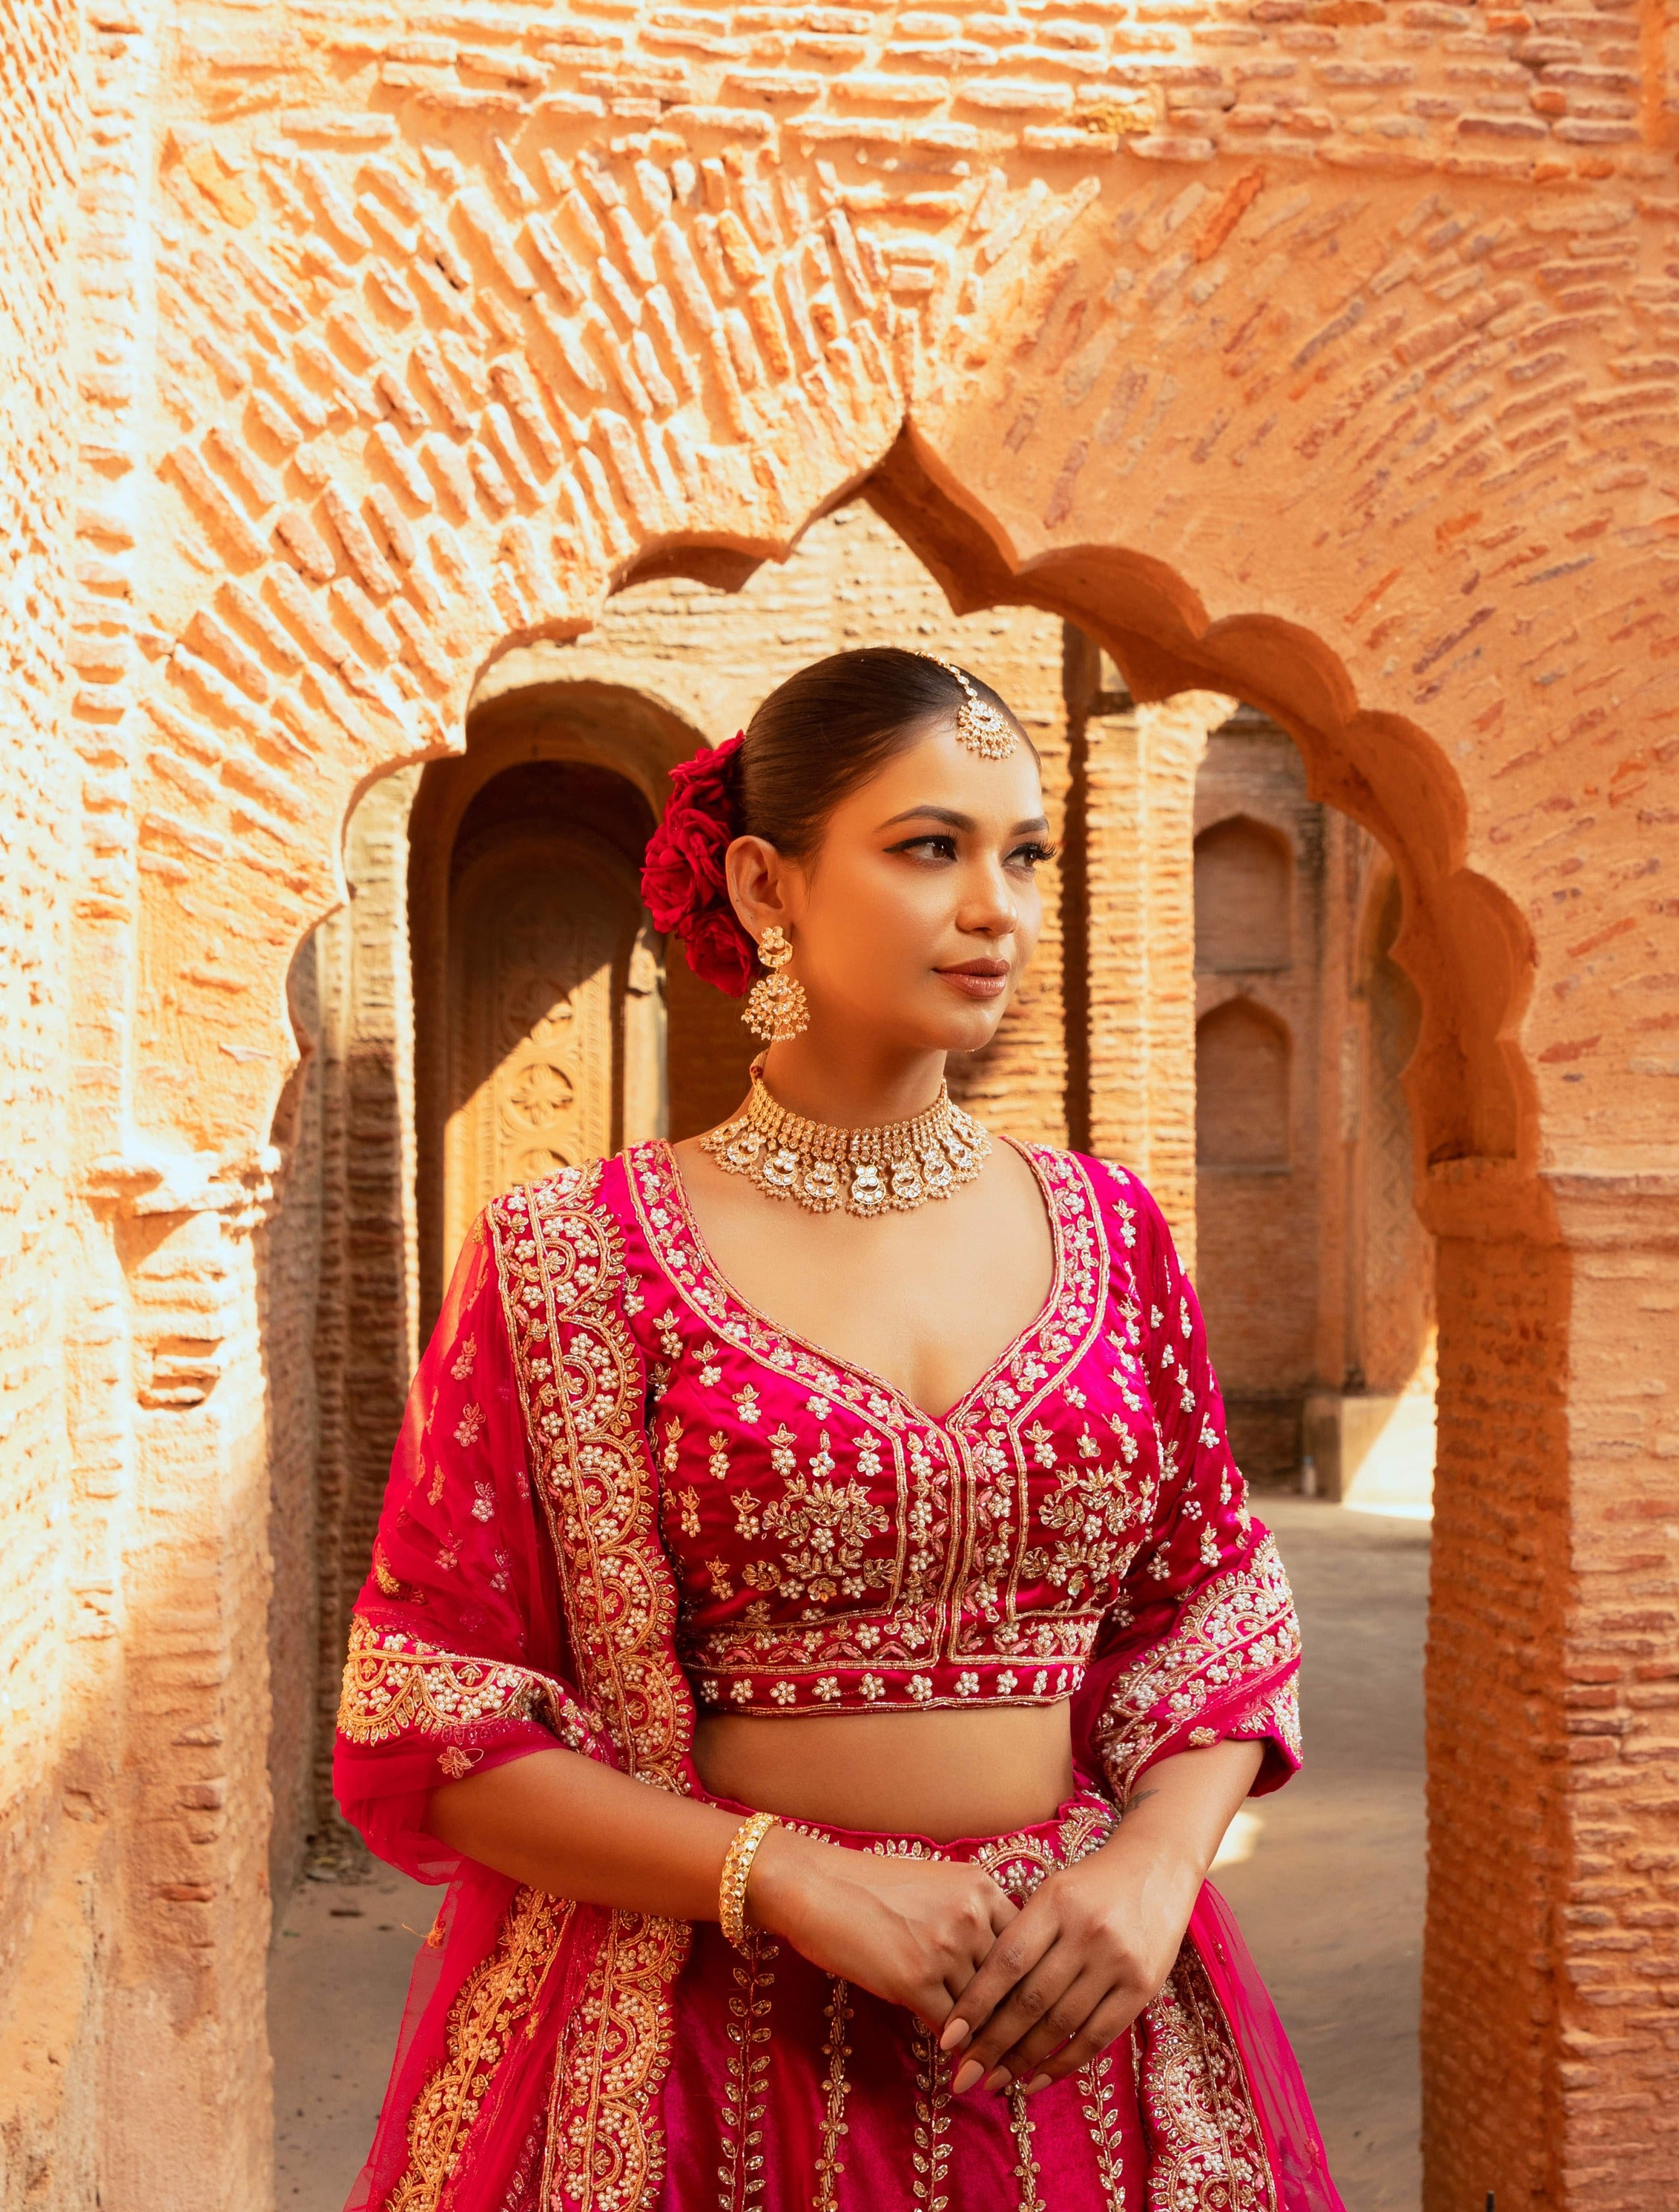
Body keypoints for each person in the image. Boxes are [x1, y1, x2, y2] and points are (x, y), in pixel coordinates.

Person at [333, 647, 1342, 2212]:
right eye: (929, 846)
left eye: (1024, 853)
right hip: (699, 2065)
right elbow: (432, 1716)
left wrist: (1153, 1869)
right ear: (765, 881)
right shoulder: (573, 1258)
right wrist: (786, 1876)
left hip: (1070, 2032)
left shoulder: (1111, 1231)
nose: (996, 906)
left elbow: (1213, 1612)